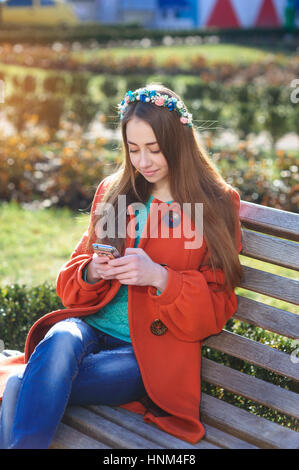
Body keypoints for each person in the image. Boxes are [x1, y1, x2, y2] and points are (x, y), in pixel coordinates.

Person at [0, 83, 243, 449]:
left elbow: (218, 306)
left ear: (179, 142)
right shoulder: (115, 193)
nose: (143, 162)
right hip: (88, 328)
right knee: (62, 336)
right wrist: (92, 271)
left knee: (25, 383)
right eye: (133, 150)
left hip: (145, 354)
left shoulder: (215, 204)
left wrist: (160, 277)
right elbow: (69, 285)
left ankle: (21, 387)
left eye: (154, 149)